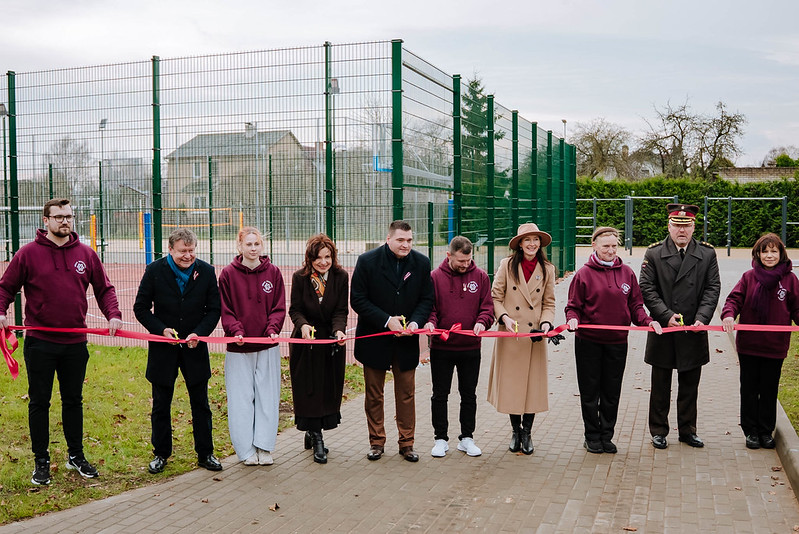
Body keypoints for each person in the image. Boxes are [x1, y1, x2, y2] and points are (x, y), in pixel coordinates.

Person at [0, 198, 122, 486]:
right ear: (46, 221)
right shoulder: (28, 254)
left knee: (73, 401)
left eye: (69, 216)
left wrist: (113, 314)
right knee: (40, 402)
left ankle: (75, 455)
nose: (65, 221)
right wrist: (1, 310)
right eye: (59, 217)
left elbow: (104, 289)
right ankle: (41, 460)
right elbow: (5, 288)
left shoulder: (86, 254)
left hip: (74, 343)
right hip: (40, 342)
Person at [565, 227, 663, 454]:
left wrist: (648, 321)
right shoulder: (583, 274)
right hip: (588, 342)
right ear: (595, 247)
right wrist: (572, 320)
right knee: (590, 391)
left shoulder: (627, 273)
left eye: (614, 246)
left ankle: (606, 435)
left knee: (611, 391)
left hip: (617, 343)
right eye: (606, 246)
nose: (610, 251)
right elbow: (573, 307)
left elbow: (636, 306)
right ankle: (591, 436)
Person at [133, 228, 222, 474]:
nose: (188, 255)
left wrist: (199, 332)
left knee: (201, 404)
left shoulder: (206, 272)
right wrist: (161, 330)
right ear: (170, 249)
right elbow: (140, 308)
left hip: (195, 348)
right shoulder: (154, 271)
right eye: (183, 251)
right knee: (161, 404)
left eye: (192, 250)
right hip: (164, 350)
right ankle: (161, 454)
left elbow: (214, 310)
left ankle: (206, 453)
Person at [350, 220, 434, 462]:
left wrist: (415, 323)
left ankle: (407, 443)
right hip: (375, 338)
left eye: (409, 240)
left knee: (406, 394)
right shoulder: (367, 261)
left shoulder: (421, 263)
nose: (405, 245)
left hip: (406, 341)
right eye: (400, 240)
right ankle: (376, 442)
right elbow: (358, 299)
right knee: (374, 394)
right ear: (388, 239)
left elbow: (426, 300)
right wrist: (387, 320)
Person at [639, 203, 720, 450]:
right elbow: (647, 288)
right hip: (665, 329)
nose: (681, 231)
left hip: (693, 329)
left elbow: (712, 288)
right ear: (669, 226)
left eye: (686, 226)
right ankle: (659, 431)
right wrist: (665, 315)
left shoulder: (707, 254)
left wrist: (702, 318)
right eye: (677, 226)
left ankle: (687, 430)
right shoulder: (653, 254)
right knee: (661, 386)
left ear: (694, 227)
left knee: (689, 386)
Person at [721, 233, 799, 450]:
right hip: (749, 346)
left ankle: (766, 431)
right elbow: (734, 299)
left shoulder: (790, 279)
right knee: (748, 389)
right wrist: (728, 314)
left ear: (781, 253)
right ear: (758, 253)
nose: (769, 255)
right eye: (765, 251)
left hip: (775, 346)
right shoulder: (749, 277)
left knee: (769, 390)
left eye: (774, 251)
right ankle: (751, 432)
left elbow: (797, 307)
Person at [218, 227, 285, 466]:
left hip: (267, 346)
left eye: (257, 244)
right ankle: (245, 450)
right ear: (240, 247)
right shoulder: (227, 274)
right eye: (248, 244)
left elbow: (278, 307)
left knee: (267, 397)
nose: (253, 248)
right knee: (241, 399)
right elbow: (225, 309)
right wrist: (235, 330)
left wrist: (272, 329)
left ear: (262, 247)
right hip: (239, 348)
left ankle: (264, 447)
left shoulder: (274, 273)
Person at [488, 222, 556, 455]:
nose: (532, 244)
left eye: (535, 239)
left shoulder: (547, 268)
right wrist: (504, 318)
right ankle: (515, 431)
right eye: (527, 240)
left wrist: (546, 323)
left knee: (532, 387)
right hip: (511, 334)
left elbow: (549, 303)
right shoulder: (506, 266)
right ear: (519, 244)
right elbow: (495, 297)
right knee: (513, 386)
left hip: (534, 336)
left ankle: (527, 432)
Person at [423, 236, 493, 458]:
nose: (465, 265)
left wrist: (482, 322)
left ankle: (467, 438)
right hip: (442, 348)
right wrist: (431, 323)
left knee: (469, 394)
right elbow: (430, 307)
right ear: (448, 255)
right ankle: (440, 439)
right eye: (461, 261)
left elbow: (487, 307)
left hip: (470, 347)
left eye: (468, 260)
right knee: (440, 394)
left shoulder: (481, 277)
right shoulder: (434, 277)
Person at [289, 234, 348, 464]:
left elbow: (340, 310)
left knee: (326, 388)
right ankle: (316, 437)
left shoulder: (341, 277)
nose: (323, 262)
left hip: (330, 341)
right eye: (318, 258)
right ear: (310, 258)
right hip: (306, 342)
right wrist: (303, 326)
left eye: (327, 257)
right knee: (308, 389)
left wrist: (339, 330)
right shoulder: (299, 278)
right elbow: (295, 310)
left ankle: (313, 430)